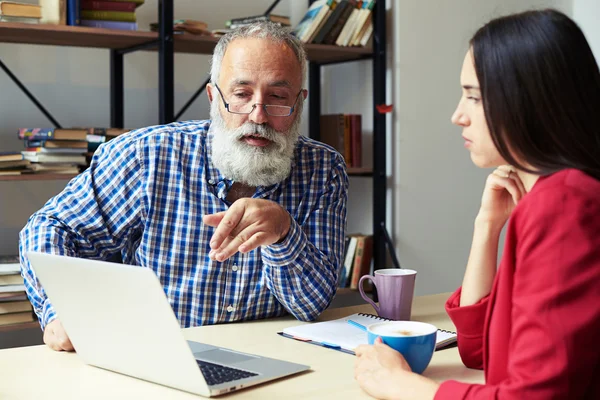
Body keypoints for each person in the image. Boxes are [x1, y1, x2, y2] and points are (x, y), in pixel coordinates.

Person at [19, 22, 348, 352]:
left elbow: (310, 306)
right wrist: (60, 311)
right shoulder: (145, 156)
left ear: (299, 102)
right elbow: (49, 228)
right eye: (241, 94)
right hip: (154, 354)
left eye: (277, 97)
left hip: (273, 359)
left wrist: (285, 233)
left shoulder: (323, 170)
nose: (258, 115)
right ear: (213, 96)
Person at [354, 9, 600, 399]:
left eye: (473, 96)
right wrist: (487, 228)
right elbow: (478, 349)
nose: (457, 116)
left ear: (525, 100)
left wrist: (401, 386)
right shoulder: (547, 199)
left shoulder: (566, 204)